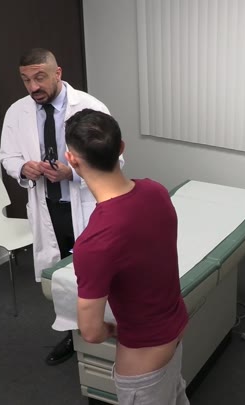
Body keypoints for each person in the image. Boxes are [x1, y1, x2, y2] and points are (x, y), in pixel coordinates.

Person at [0, 48, 123, 365]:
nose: (33, 87)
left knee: (99, 274)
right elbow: (8, 156)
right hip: (48, 208)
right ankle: (71, 336)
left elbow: (115, 160)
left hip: (86, 207)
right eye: (26, 80)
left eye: (39, 77)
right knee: (62, 279)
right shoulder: (17, 112)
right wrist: (23, 168)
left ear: (58, 73)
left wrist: (74, 173)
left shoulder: (91, 107)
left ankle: (110, 332)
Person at [65, 109, 189, 405]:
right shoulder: (156, 191)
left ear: (72, 159)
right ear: (121, 148)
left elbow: (91, 332)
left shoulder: (94, 243)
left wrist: (114, 329)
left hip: (143, 364)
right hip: (174, 333)